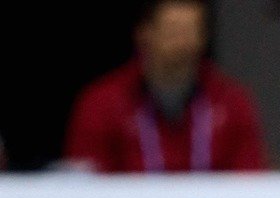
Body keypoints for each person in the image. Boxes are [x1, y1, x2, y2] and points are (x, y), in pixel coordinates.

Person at [63, 0, 268, 173]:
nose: (183, 43)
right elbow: (84, 186)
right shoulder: (102, 103)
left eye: (191, 31)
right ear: (144, 34)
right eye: (173, 32)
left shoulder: (231, 101)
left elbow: (250, 180)